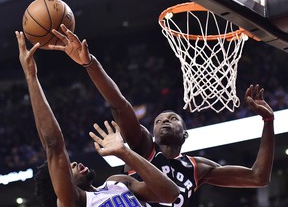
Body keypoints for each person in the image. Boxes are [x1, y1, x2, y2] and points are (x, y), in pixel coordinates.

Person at [48, 24, 275, 207]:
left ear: (185, 134)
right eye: (158, 120)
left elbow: (258, 177)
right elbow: (120, 106)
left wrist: (268, 121)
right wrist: (90, 64)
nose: (165, 121)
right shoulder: (143, 146)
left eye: (173, 118)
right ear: (152, 133)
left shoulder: (198, 168)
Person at [15, 30, 180, 207]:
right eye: (68, 167)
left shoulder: (118, 183)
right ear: (58, 185)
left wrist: (124, 152)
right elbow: (54, 145)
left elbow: (171, 195)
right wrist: (31, 77)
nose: (75, 163)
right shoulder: (72, 203)